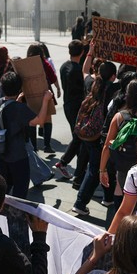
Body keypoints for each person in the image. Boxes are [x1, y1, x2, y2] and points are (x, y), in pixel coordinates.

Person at [97, 79, 137, 216]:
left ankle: (120, 228)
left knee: (122, 193)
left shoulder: (119, 117)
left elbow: (107, 146)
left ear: (128, 96)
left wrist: (102, 170)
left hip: (123, 167)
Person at [0, 71, 53, 199]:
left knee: (4, 189)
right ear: (20, 88)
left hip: (1, 155)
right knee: (20, 192)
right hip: (18, 157)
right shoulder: (19, 109)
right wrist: (45, 100)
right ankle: (17, 216)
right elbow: (40, 121)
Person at [55, 40, 86, 179]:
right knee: (79, 136)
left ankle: (80, 170)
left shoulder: (64, 66)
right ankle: (63, 162)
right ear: (82, 52)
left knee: (78, 136)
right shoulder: (78, 71)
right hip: (77, 106)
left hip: (68, 104)